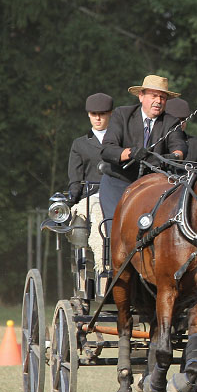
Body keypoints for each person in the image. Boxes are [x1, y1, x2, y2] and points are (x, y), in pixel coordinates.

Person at [99, 75, 187, 235]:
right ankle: (110, 259)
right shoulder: (122, 114)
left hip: (152, 185)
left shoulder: (171, 122)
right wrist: (131, 153)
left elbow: (180, 148)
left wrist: (173, 157)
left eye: (162, 97)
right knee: (117, 231)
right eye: (154, 96)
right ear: (141, 96)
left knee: (152, 230)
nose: (158, 101)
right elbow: (107, 149)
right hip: (118, 182)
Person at [67, 92, 113, 278]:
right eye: (94, 114)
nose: (98, 118)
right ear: (88, 115)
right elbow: (75, 178)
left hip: (118, 193)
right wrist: (72, 201)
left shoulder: (121, 141)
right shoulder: (79, 144)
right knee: (97, 214)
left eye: (102, 113)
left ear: (111, 113)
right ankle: (103, 265)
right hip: (92, 196)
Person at [164, 97, 197, 163]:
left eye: (183, 119)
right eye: (175, 120)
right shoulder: (157, 144)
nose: (180, 123)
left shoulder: (196, 145)